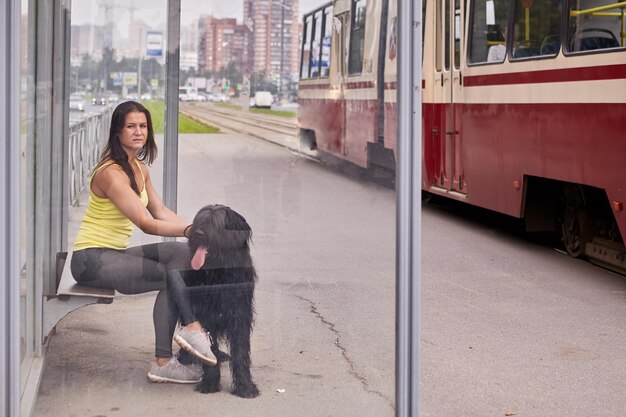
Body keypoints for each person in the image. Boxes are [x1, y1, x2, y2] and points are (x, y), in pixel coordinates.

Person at [70, 100, 216, 384]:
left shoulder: (138, 168)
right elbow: (146, 223)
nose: (138, 132)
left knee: (179, 252)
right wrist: (190, 230)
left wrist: (198, 232)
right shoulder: (110, 172)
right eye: (131, 126)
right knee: (169, 278)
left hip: (114, 254)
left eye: (143, 126)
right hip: (91, 260)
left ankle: (189, 332)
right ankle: (171, 352)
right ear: (117, 131)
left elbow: (159, 211)